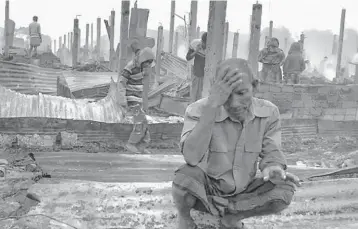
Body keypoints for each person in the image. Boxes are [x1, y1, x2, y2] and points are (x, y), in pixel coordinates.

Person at [172, 58, 300, 229]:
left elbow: (272, 153)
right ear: (216, 89)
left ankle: (232, 218)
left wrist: (273, 168)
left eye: (241, 93)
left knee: (285, 187)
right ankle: (185, 218)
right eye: (226, 95)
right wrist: (213, 106)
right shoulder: (198, 110)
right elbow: (192, 158)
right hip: (207, 192)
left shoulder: (269, 112)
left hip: (244, 195)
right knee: (184, 177)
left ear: (254, 86)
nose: (233, 103)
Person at [119, 39, 155, 154]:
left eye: (150, 63)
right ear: (143, 60)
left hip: (138, 98)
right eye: (147, 63)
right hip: (132, 99)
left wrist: (145, 104)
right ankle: (131, 143)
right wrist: (122, 100)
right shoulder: (130, 67)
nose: (148, 65)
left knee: (144, 122)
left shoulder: (141, 64)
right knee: (140, 122)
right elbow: (121, 83)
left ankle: (142, 145)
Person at [186, 32, 207, 103]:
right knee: (194, 92)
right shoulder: (195, 44)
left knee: (200, 93)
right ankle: (191, 108)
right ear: (202, 41)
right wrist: (196, 51)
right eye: (204, 43)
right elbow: (188, 57)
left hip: (205, 74)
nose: (205, 45)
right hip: (195, 71)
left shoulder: (211, 48)